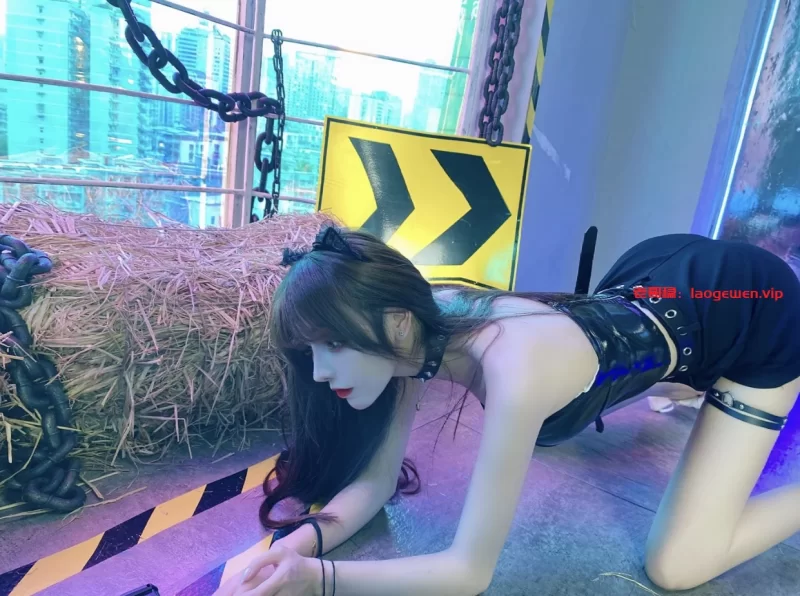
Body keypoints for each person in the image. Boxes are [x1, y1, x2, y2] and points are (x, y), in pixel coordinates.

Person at [215, 225, 800, 596]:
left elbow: (468, 572)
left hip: (754, 305)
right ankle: (686, 384)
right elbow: (375, 485)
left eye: (334, 344)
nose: (319, 371)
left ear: (396, 323)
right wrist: (286, 552)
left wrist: (317, 582)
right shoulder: (417, 326)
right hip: (657, 278)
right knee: (662, 381)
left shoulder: (514, 373)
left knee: (678, 566)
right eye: (310, 351)